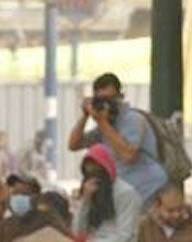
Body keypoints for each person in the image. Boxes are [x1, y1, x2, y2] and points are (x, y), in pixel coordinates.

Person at [66, 70, 168, 211]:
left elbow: (128, 156)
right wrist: (85, 115)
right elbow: (74, 144)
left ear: (120, 97)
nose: (107, 106)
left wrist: (103, 123)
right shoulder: (106, 125)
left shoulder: (133, 119)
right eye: (102, 101)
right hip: (126, 190)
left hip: (147, 187)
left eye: (111, 100)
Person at [72, 145, 140, 242]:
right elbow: (78, 232)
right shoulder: (92, 192)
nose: (94, 180)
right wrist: (85, 200)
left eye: (97, 174)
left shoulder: (126, 193)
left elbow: (124, 236)